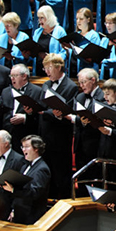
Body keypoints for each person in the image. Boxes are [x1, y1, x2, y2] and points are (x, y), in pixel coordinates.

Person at [39, 53, 79, 199]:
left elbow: (66, 111)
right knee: (47, 170)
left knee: (60, 172)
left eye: (49, 68)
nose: (47, 72)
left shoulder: (70, 86)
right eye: (45, 68)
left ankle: (62, 199)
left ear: (58, 67)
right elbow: (43, 106)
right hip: (45, 134)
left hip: (60, 136)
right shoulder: (46, 84)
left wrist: (49, 113)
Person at [5, 135, 50, 225]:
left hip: (30, 218)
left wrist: (13, 190)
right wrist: (14, 210)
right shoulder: (25, 166)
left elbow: (34, 193)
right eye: (23, 147)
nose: (23, 150)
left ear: (36, 148)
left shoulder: (42, 169)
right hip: (19, 215)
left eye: (26, 147)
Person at [0, 64, 44, 150]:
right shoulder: (6, 91)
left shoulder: (37, 91)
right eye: (11, 75)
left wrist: (25, 118)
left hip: (26, 135)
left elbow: (41, 115)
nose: (12, 78)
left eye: (15, 75)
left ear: (24, 76)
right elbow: (2, 111)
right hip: (7, 135)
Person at [28, 5, 67, 76]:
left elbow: (64, 52)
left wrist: (51, 58)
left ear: (49, 17)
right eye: (38, 18)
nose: (39, 21)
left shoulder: (59, 31)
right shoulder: (37, 32)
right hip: (38, 69)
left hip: (53, 69)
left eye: (42, 18)